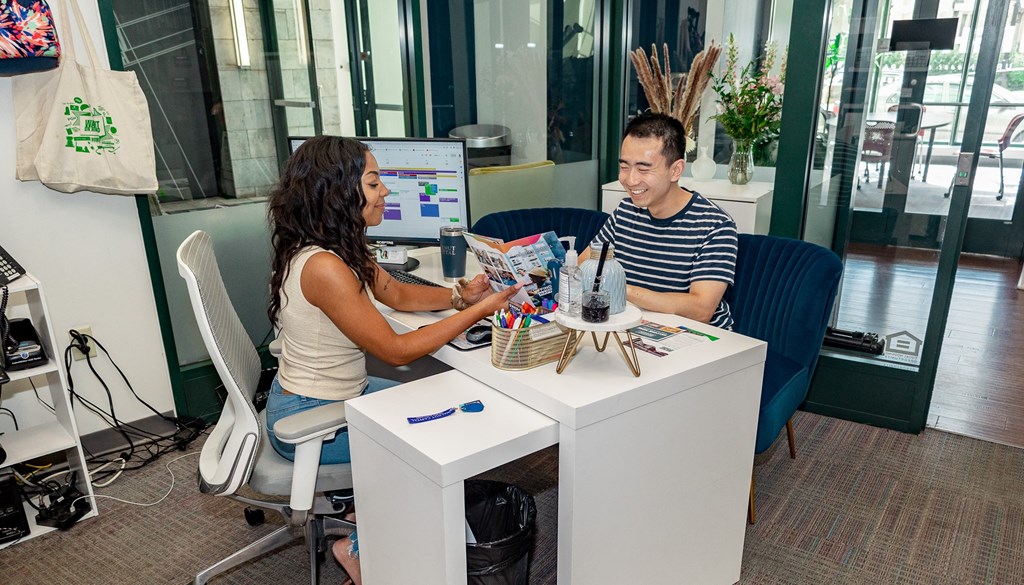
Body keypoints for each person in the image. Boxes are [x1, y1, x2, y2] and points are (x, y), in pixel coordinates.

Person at [265, 135, 519, 585]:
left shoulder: (337, 244)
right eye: (374, 181)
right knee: (429, 441)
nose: (385, 191)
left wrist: (461, 296)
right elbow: (395, 349)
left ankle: (371, 527)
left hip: (338, 395)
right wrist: (482, 311)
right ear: (341, 190)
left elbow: (396, 292)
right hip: (309, 417)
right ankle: (359, 548)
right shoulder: (324, 266)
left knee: (436, 405)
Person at [582, 112, 738, 329]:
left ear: (675, 170)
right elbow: (584, 265)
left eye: (644, 169)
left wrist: (620, 288)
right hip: (637, 327)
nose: (630, 179)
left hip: (695, 337)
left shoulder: (714, 225)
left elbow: (702, 310)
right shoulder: (626, 210)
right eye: (624, 166)